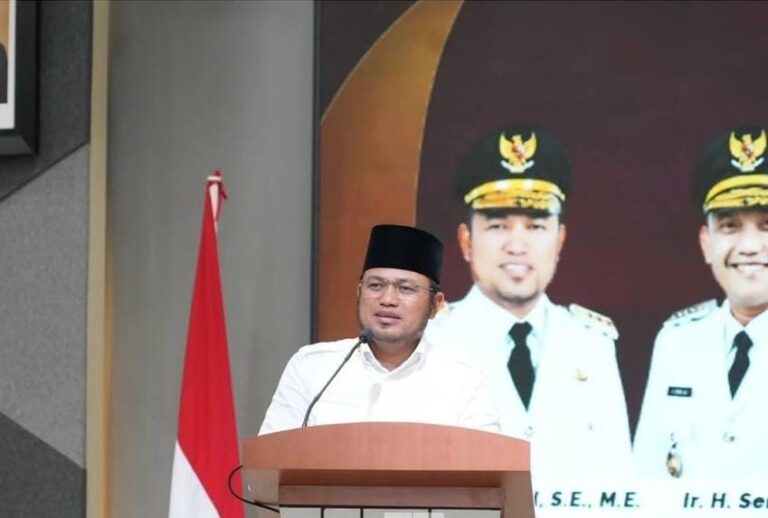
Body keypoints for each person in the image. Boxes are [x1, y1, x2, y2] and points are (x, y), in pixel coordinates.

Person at [426, 124, 632, 476]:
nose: (517, 246)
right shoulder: (431, 342)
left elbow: (618, 482)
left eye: (536, 226)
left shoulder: (593, 343)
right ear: (466, 241)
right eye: (497, 226)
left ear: (559, 240)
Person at [259, 224, 500, 435]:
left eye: (405, 289)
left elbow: (488, 468)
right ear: (359, 292)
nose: (387, 299)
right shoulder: (312, 367)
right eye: (375, 285)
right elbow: (271, 461)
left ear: (435, 305)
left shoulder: (464, 380)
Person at [634, 124, 768, 479]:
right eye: (730, 226)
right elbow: (645, 482)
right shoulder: (677, 342)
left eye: (767, 225)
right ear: (706, 243)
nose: (749, 246)